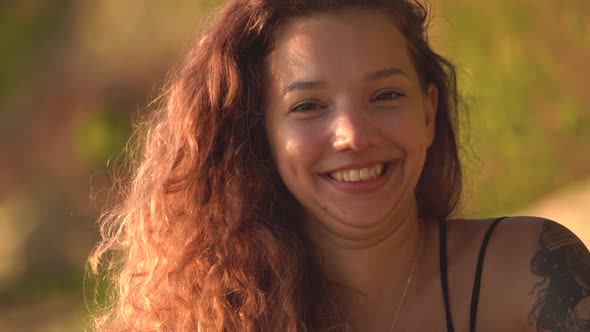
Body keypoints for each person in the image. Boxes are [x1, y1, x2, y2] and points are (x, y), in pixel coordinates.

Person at [89, 0, 590, 331]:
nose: (353, 135)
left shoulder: (532, 271)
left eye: (386, 95)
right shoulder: (211, 317)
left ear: (429, 112)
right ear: (261, 135)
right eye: (308, 106)